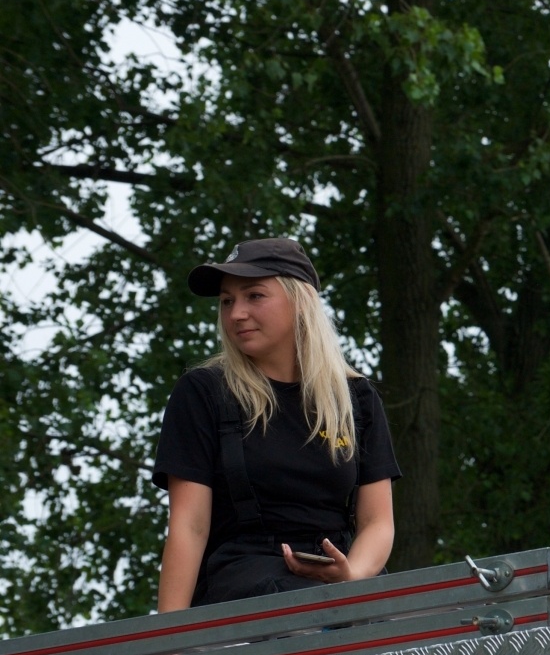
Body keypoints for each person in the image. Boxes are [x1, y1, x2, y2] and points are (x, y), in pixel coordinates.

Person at [153, 238, 401, 611]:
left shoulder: (355, 399)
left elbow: (378, 522)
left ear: (300, 301)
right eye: (226, 301)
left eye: (254, 296)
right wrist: (169, 646)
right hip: (245, 586)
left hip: (345, 590)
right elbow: (190, 526)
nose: (236, 313)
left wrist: (352, 576)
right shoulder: (205, 392)